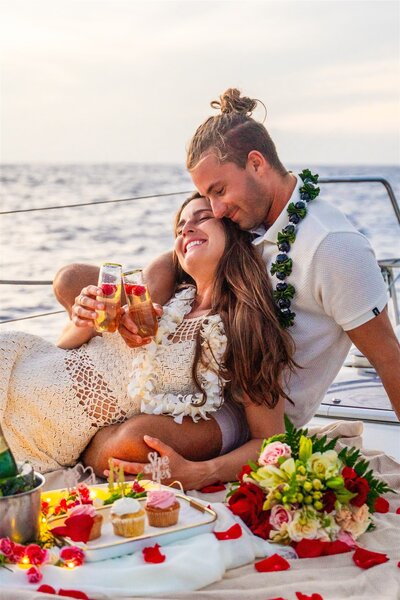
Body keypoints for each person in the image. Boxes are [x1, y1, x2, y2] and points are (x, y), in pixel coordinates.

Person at [54, 88, 400, 487]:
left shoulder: (332, 248)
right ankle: (87, 419)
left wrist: (203, 472)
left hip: (248, 402)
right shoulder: (242, 215)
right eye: (206, 197)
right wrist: (149, 295)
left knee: (127, 443)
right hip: (190, 364)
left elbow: (389, 358)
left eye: (219, 191)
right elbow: (174, 256)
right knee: (72, 280)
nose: (215, 210)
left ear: (256, 164)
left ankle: (81, 433)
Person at [0, 193, 294, 479]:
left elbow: (270, 441)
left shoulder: (245, 324)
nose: (187, 229)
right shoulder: (162, 293)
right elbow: (63, 345)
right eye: (179, 228)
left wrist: (203, 473)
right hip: (22, 363)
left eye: (203, 218)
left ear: (234, 233)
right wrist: (85, 320)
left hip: (48, 432)